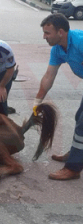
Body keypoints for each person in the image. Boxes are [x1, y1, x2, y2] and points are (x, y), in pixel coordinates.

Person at [34, 13, 83, 180]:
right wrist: (37, 102)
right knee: (79, 118)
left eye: (47, 33)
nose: (44, 37)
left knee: (82, 123)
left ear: (60, 32)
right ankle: (78, 152)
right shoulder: (57, 49)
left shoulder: (80, 41)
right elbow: (49, 76)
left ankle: (73, 167)